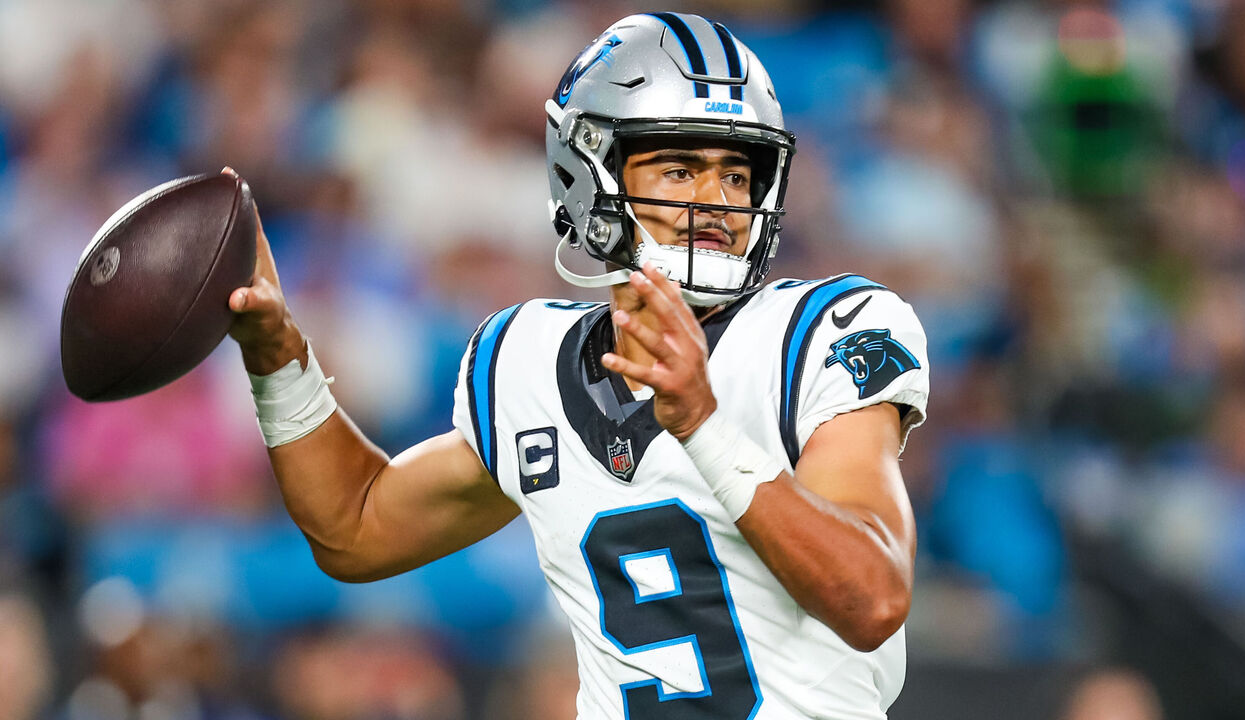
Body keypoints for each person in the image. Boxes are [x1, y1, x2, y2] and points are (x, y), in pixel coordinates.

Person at [228, 12, 930, 719]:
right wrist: (279, 361)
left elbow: (871, 598)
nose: (716, 202)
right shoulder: (527, 360)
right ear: (586, 175)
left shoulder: (821, 332)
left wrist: (706, 428)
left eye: (736, 173)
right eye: (679, 169)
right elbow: (354, 531)